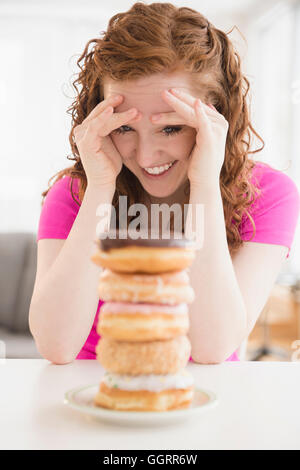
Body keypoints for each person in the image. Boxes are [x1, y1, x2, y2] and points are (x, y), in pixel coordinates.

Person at [29, 2, 300, 364]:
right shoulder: (76, 194)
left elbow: (212, 348)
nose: (145, 156)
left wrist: (204, 183)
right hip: (94, 403)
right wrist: (100, 189)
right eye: (124, 127)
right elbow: (56, 347)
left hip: (202, 405)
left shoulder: (267, 195)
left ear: (217, 118)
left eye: (170, 127)